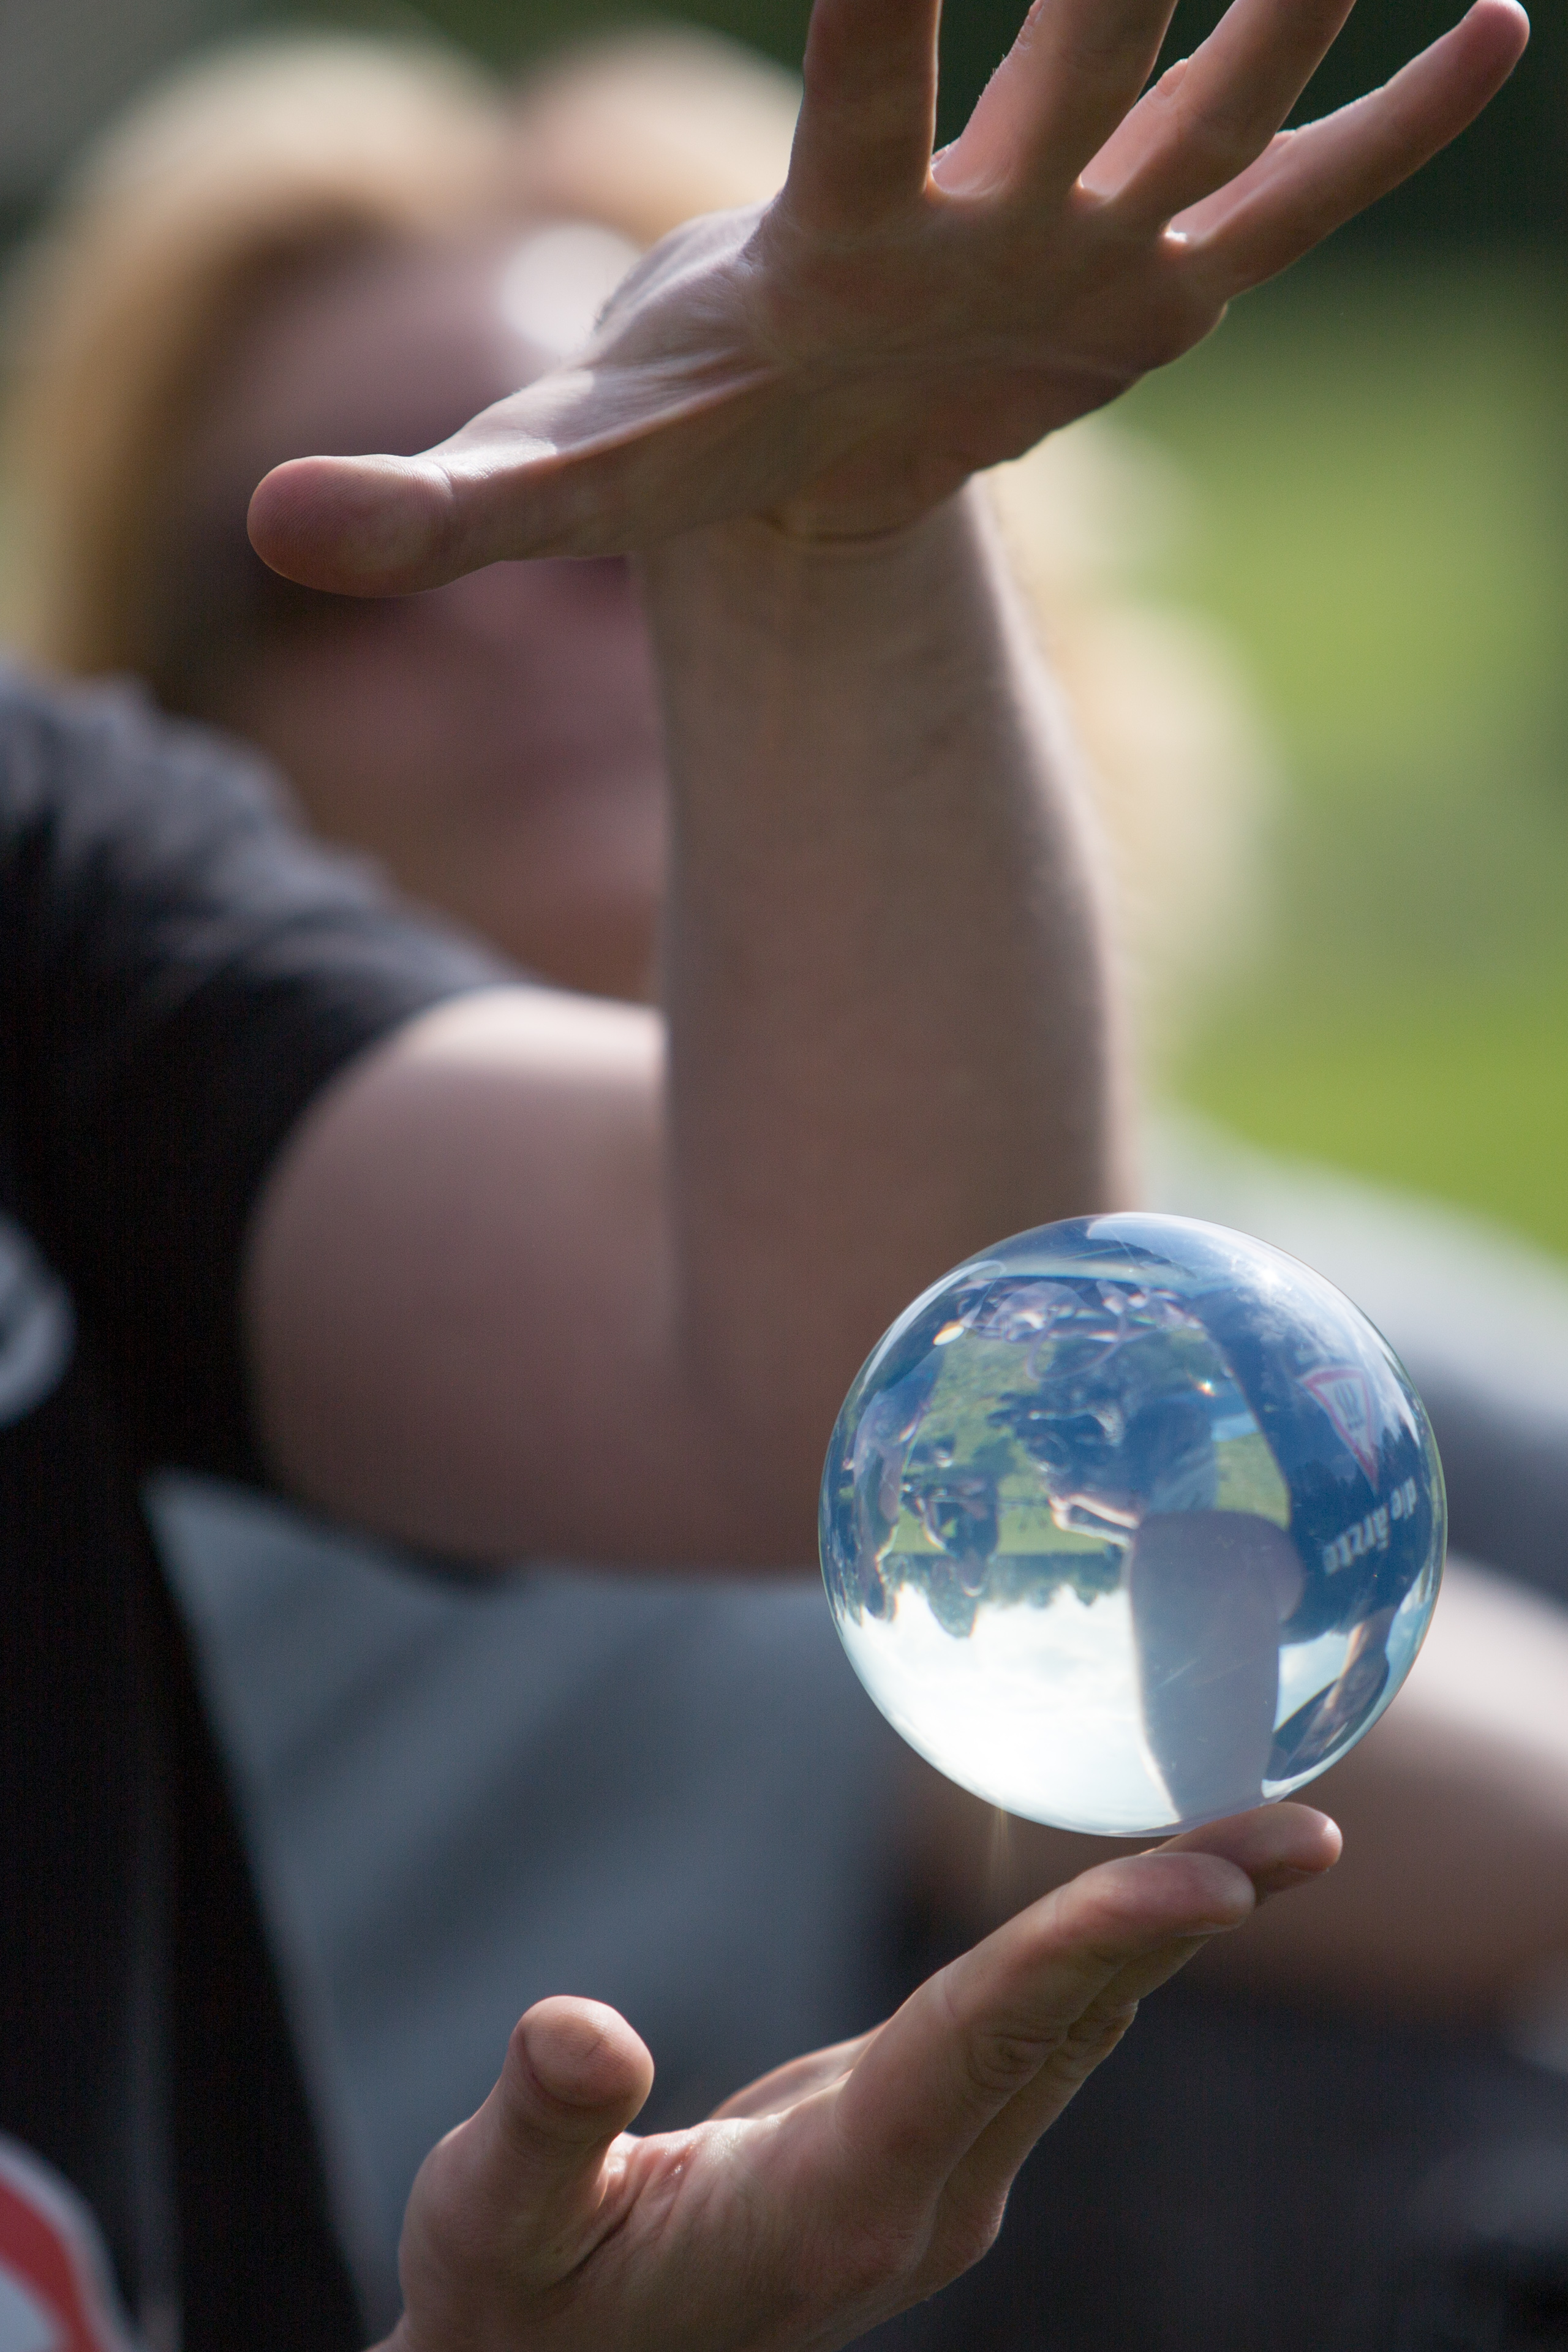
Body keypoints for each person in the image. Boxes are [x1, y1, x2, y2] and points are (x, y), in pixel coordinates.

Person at [0, 0, 1534, 2348]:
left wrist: (841, 532)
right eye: (354, 574)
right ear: (176, 727)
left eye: (629, 509)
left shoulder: (1236, 1267)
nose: (511, 619)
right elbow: (972, 1548)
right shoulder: (251, 1365)